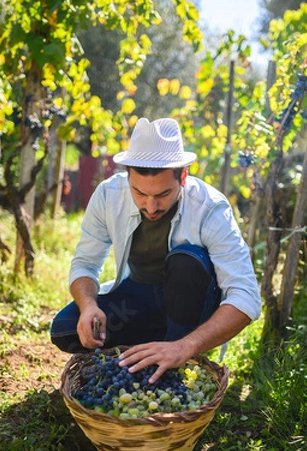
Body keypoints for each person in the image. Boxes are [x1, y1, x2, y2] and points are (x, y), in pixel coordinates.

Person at [51, 117, 261, 382]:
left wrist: (185, 347)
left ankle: (176, 352)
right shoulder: (108, 195)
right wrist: (89, 305)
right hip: (142, 296)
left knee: (186, 261)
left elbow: (246, 297)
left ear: (183, 176)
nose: (151, 207)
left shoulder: (210, 208)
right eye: (139, 193)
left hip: (193, 303)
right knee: (66, 329)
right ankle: (154, 346)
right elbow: (85, 264)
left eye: (162, 195)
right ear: (127, 176)